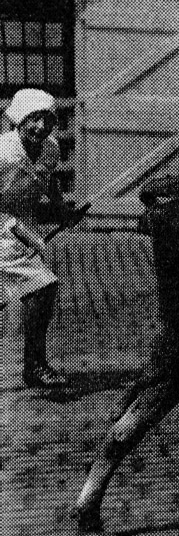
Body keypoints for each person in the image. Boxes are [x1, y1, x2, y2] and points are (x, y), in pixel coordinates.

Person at [0, 88, 72, 387]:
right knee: (42, 287)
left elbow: (50, 180)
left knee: (42, 288)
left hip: (20, 233)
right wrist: (26, 233)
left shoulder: (50, 149)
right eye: (33, 120)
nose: (40, 128)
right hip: (4, 228)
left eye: (47, 120)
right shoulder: (2, 153)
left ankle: (34, 366)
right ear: (18, 120)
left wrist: (61, 210)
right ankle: (35, 365)